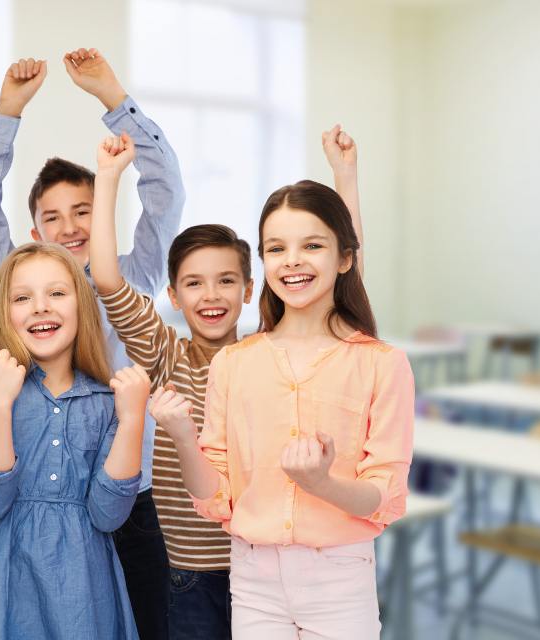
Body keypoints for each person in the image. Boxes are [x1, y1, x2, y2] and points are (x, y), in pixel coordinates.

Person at [0, 48, 184, 637]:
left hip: (125, 497)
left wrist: (114, 99)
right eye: (52, 218)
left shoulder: (131, 279)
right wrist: (7, 111)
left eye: (84, 211)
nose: (70, 227)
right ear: (34, 234)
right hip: (27, 500)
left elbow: (166, 192)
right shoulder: (23, 285)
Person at [157, 179, 414, 638]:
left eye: (312, 245)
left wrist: (322, 484)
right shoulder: (233, 365)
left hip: (339, 576)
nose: (292, 260)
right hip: (253, 577)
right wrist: (181, 436)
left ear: (345, 257)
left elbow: (385, 496)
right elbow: (213, 497)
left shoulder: (382, 364)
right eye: (276, 248)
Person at [0, 242, 151, 640]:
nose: (40, 307)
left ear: (82, 305)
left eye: (56, 293)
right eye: (22, 297)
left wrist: (132, 420)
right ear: (4, 312)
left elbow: (108, 514)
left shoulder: (108, 401)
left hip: (82, 591)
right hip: (2, 582)